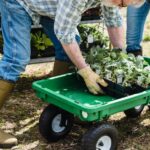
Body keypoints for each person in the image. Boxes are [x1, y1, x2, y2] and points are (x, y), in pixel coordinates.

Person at [0, 0, 144, 148]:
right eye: (122, 3)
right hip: (19, 2)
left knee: (70, 49)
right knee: (16, 59)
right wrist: (85, 71)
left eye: (124, 6)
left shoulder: (113, 1)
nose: (121, 7)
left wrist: (120, 58)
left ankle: (61, 108)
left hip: (48, 6)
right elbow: (64, 32)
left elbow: (113, 20)